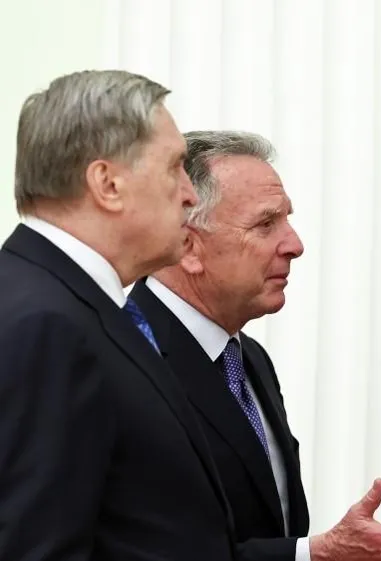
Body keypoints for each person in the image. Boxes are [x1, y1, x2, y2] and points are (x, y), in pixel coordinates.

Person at [127, 130, 381, 561]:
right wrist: (315, 554)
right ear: (188, 246)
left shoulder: (248, 359)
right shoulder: (124, 356)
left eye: (287, 220)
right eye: (266, 224)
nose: (295, 245)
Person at [0, 71, 236, 559]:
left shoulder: (63, 302)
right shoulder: (46, 324)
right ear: (107, 184)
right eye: (174, 167)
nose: (191, 194)